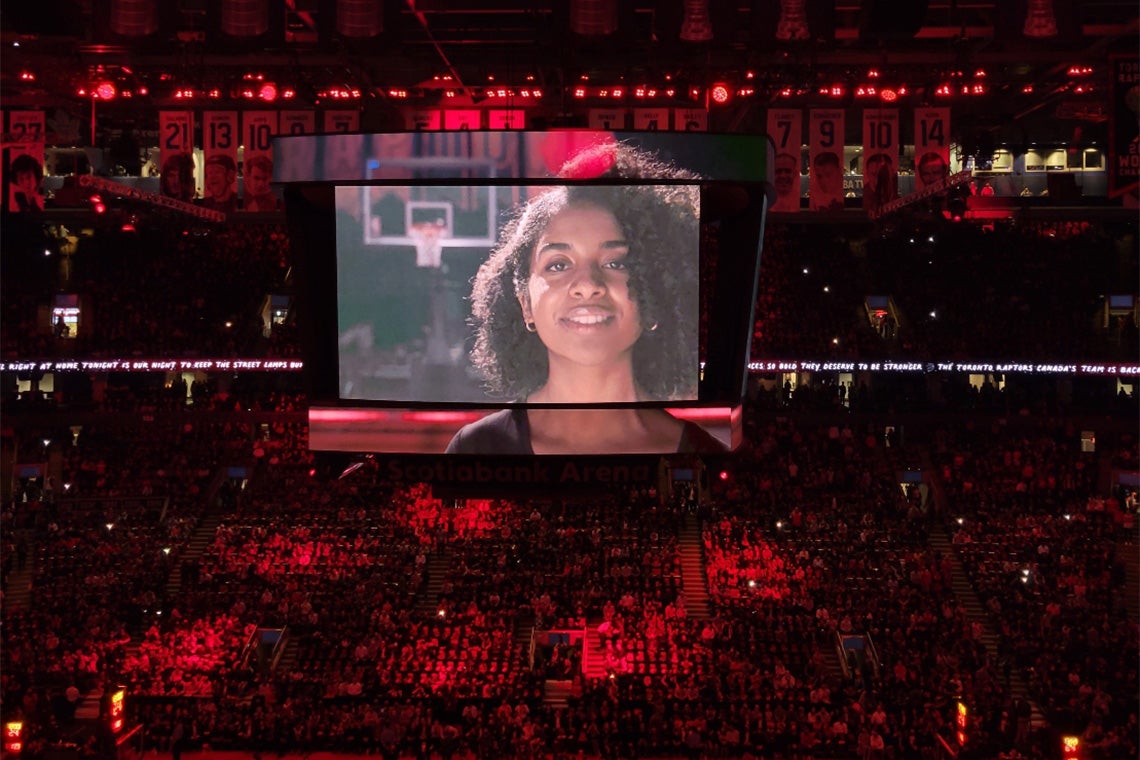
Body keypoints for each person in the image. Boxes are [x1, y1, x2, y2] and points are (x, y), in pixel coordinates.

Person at [446, 142, 725, 455]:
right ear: (525, 302)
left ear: (657, 292)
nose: (588, 285)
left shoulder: (704, 456)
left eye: (616, 262)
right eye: (558, 265)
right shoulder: (474, 449)